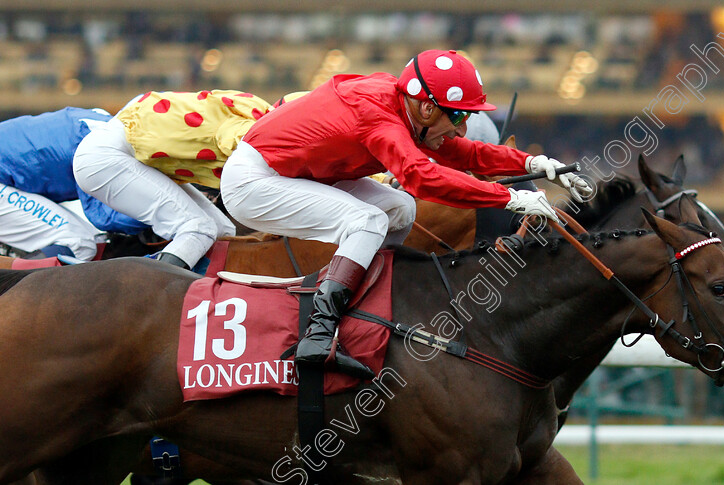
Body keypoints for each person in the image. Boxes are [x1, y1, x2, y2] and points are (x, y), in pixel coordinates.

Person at [220, 49, 593, 378]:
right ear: (428, 108)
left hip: (294, 172)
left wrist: (536, 162)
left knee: (400, 209)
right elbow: (420, 177)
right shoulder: (379, 116)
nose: (463, 127)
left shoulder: (406, 107)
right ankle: (318, 336)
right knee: (368, 221)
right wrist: (508, 198)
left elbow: (466, 154)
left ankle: (362, 309)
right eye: (460, 116)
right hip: (255, 182)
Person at [73, 90, 274, 269]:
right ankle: (152, 299)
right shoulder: (251, 126)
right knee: (197, 228)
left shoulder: (259, 113)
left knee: (223, 230)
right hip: (106, 158)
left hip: (119, 153)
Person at [0, 108, 147, 260]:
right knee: (79, 244)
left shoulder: (107, 123)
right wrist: (159, 218)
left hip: (9, 173)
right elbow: (103, 217)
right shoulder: (100, 146)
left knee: (98, 241)